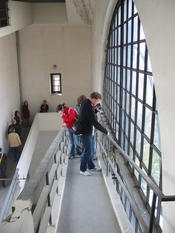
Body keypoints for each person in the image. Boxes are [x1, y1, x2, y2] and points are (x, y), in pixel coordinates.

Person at [76, 92, 108, 176]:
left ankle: (91, 166)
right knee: (87, 151)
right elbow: (95, 123)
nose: (98, 103)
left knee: (89, 150)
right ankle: (82, 169)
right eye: (98, 101)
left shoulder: (86, 102)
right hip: (85, 131)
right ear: (94, 99)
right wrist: (106, 131)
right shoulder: (88, 105)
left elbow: (89, 115)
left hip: (87, 130)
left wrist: (95, 110)